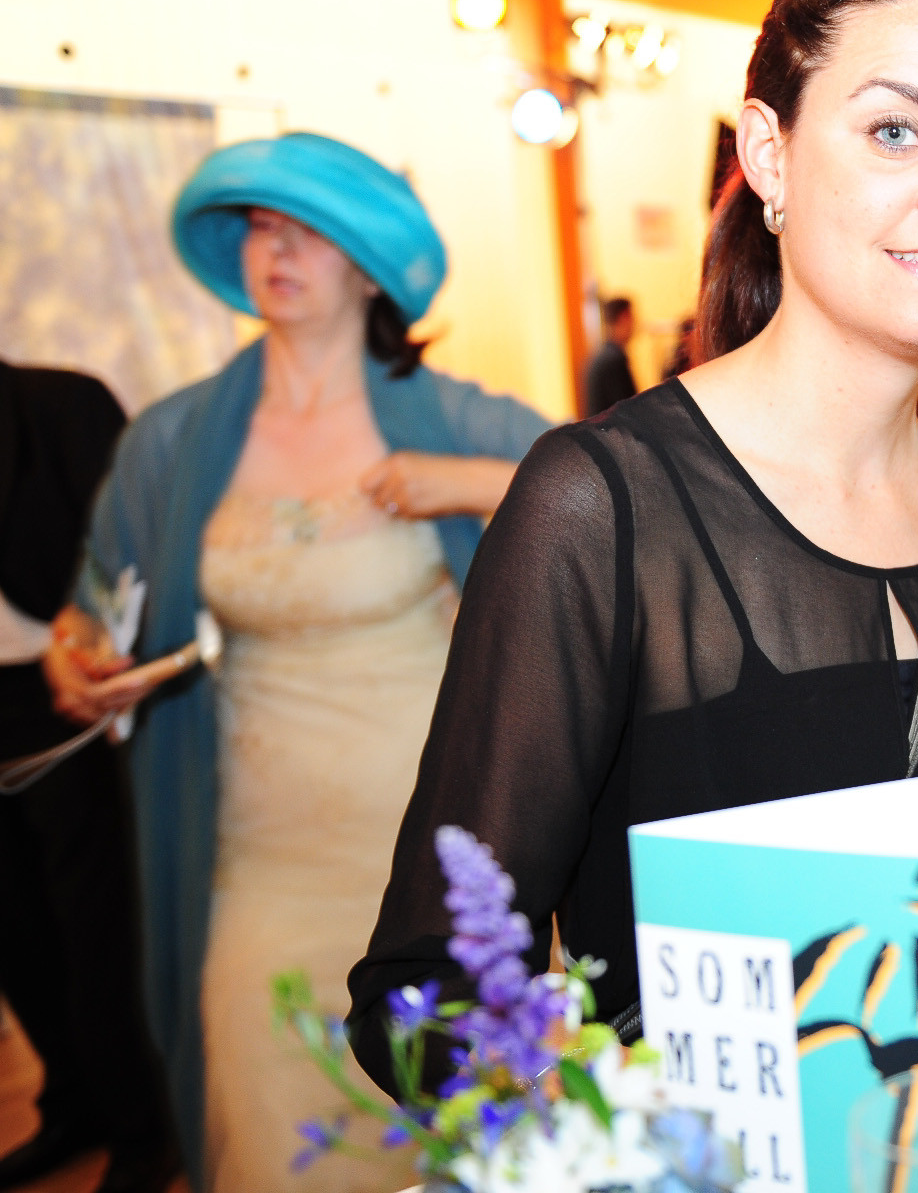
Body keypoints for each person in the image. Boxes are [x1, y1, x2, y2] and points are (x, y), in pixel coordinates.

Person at [348, 0, 918, 1089]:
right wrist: (626, 1131)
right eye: (896, 131)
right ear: (769, 157)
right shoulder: (601, 508)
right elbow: (427, 998)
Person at [44, 132, 551, 1193]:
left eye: (310, 230)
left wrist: (471, 481)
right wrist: (77, 655)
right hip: (255, 860)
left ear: (369, 268)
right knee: (274, 1133)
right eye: (262, 227)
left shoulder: (459, 417)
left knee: (450, 1139)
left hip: (431, 858)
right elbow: (93, 610)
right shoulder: (175, 441)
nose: (277, 250)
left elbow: (627, 509)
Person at [0, 360, 179, 1193]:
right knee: (15, 928)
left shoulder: (60, 405)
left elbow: (135, 543)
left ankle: (146, 1126)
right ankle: (72, 1105)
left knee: (95, 924)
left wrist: (96, 659)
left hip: (65, 692)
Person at [583, 295, 640, 417]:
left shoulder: (602, 355)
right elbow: (628, 410)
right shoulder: (613, 360)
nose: (634, 323)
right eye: (632, 317)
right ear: (624, 318)